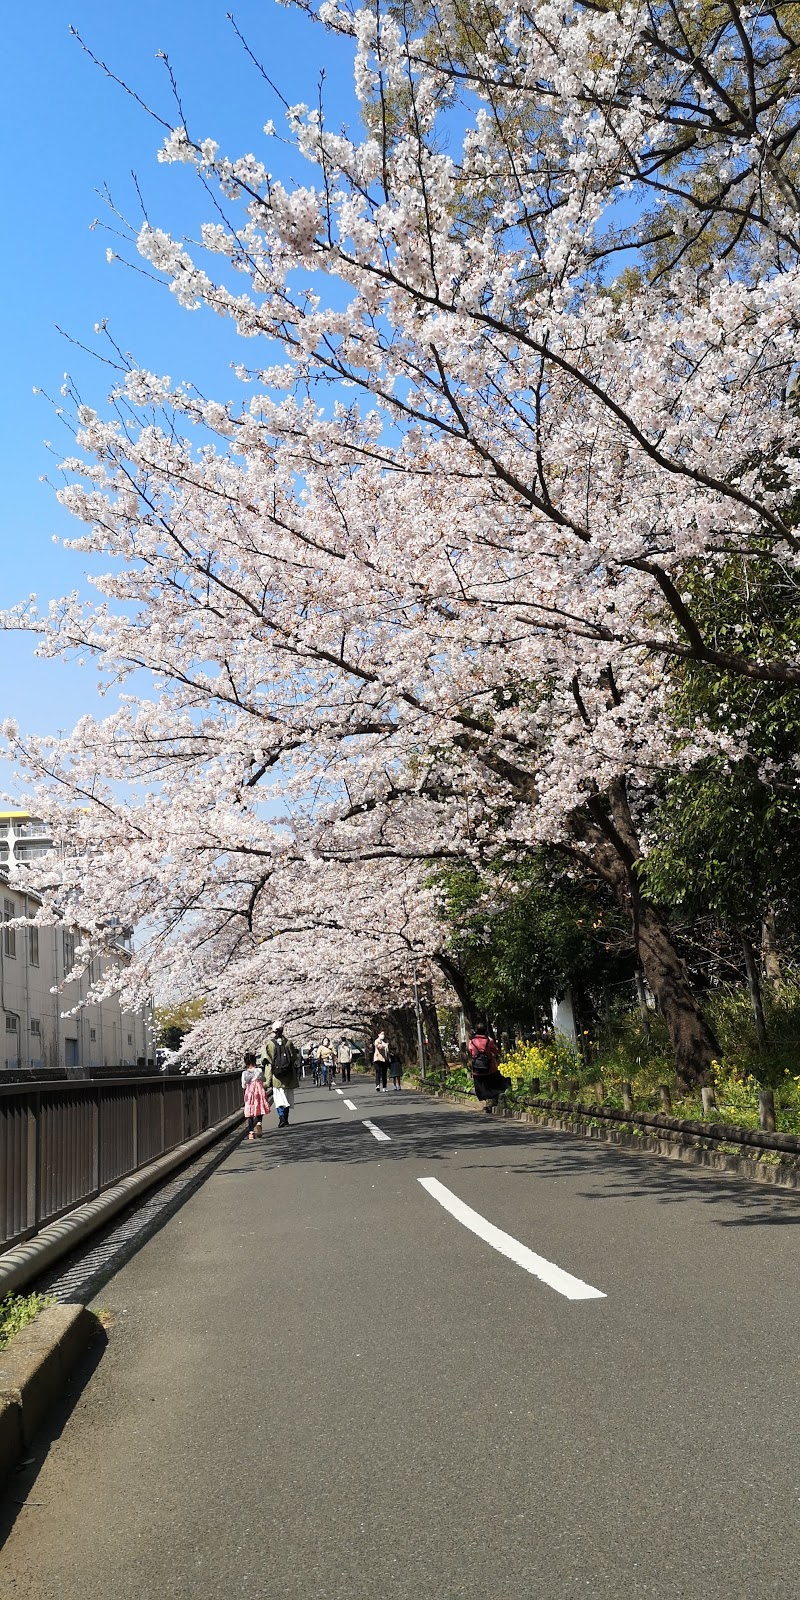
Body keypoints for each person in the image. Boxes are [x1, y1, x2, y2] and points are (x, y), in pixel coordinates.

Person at [262, 1021, 301, 1129]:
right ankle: (286, 1118)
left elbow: (266, 1060)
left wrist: (267, 1079)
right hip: (288, 1075)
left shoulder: (269, 1044)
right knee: (287, 1097)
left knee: (278, 1098)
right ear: (282, 1030)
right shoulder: (288, 1043)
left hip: (276, 1076)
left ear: (273, 1031)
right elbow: (294, 1057)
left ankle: (281, 1117)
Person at [468, 1025, 509, 1113]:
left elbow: (471, 1053)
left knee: (480, 1089)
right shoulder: (489, 1041)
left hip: (477, 1070)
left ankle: (485, 1104)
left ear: (476, 1031)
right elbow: (496, 1051)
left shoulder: (471, 1042)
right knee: (494, 1085)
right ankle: (493, 1103)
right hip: (490, 1069)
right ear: (485, 1031)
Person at [241, 1052, 268, 1139]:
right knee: (259, 1108)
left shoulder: (244, 1073)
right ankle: (259, 1123)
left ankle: (251, 1133)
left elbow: (243, 1085)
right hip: (259, 1092)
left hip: (249, 1093)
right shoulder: (258, 1070)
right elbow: (264, 1079)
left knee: (250, 1113)